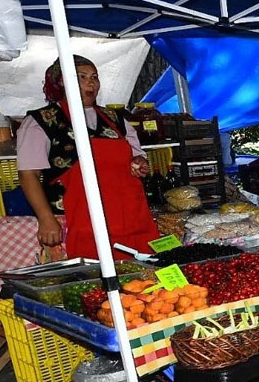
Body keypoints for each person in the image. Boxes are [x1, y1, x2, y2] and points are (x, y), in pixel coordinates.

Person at [17, 56, 159, 260]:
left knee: (140, 283)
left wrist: (139, 163)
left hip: (129, 217)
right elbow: (28, 174)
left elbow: (137, 154)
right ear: (62, 81)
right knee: (92, 284)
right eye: (81, 77)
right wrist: (46, 218)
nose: (91, 82)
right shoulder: (43, 121)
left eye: (94, 77)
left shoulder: (115, 118)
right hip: (80, 221)